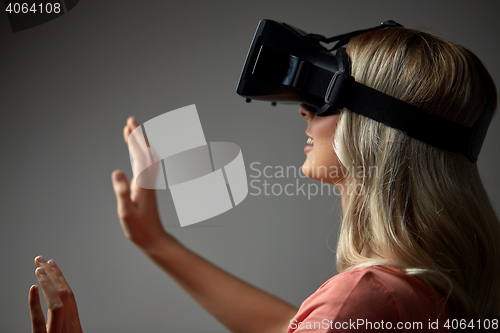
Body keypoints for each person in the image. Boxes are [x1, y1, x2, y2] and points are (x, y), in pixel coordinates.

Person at [28, 26, 500, 332]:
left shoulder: (366, 299)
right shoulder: (421, 295)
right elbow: (290, 326)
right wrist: (155, 240)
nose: (302, 112)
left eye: (323, 100)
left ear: (376, 128)